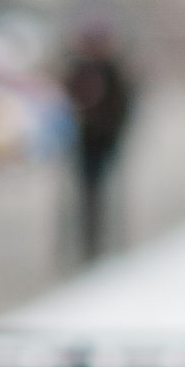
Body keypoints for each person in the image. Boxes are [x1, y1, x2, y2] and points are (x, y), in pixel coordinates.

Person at [60, 21, 134, 262]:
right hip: (82, 140)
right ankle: (87, 243)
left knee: (100, 193)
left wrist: (112, 131)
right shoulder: (78, 68)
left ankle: (101, 241)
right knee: (85, 193)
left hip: (103, 140)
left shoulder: (111, 71)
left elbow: (122, 106)